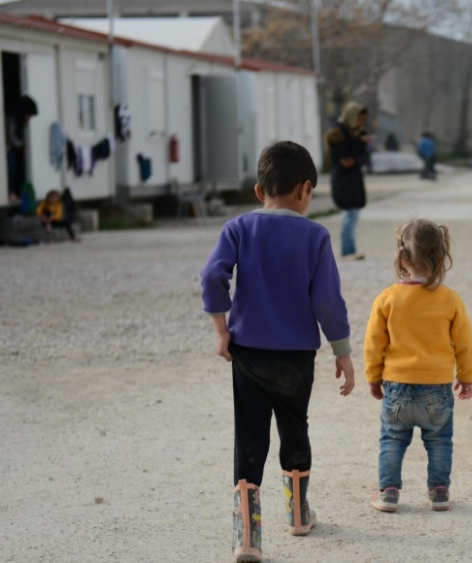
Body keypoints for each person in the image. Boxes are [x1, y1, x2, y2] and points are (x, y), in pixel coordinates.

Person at [200, 141, 356, 563]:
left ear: (258, 190)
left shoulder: (237, 229)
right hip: (295, 357)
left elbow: (212, 277)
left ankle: (247, 538)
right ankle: (299, 514)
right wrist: (342, 351)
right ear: (306, 190)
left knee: (249, 438)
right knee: (294, 428)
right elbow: (328, 301)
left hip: (248, 353)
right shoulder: (316, 236)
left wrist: (221, 330)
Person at [364, 218, 472, 514]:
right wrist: (466, 377)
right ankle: (439, 491)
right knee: (439, 439)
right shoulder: (450, 300)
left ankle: (388, 492)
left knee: (392, 438)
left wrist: (373, 378)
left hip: (396, 385)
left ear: (402, 257)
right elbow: (464, 344)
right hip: (437, 387)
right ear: (441, 257)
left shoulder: (387, 299)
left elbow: (374, 344)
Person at [325, 102, 369, 260]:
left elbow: (361, 157)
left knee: (353, 214)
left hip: (353, 179)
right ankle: (348, 250)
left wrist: (361, 148)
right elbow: (343, 158)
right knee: (351, 214)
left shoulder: (356, 133)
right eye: (359, 119)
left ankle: (350, 249)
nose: (360, 123)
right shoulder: (338, 134)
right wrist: (359, 145)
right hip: (344, 179)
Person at [6, 95, 38, 203]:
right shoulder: (12, 119)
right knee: (11, 170)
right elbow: (11, 137)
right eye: (29, 115)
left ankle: (15, 193)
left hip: (14, 149)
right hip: (9, 149)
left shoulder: (22, 122)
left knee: (16, 170)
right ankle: (11, 192)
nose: (29, 118)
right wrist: (22, 146)